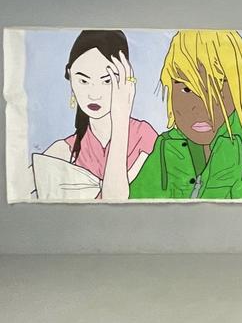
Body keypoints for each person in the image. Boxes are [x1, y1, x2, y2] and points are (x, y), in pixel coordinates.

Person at [129, 30, 242, 200]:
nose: (200, 108)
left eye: (215, 89)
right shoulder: (160, 159)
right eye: (186, 89)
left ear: (241, 91)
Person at [37, 30, 157, 200]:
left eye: (107, 80)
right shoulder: (63, 151)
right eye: (83, 81)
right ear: (70, 76)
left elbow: (114, 199)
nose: (94, 94)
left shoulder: (144, 137)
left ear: (125, 80)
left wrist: (121, 116)